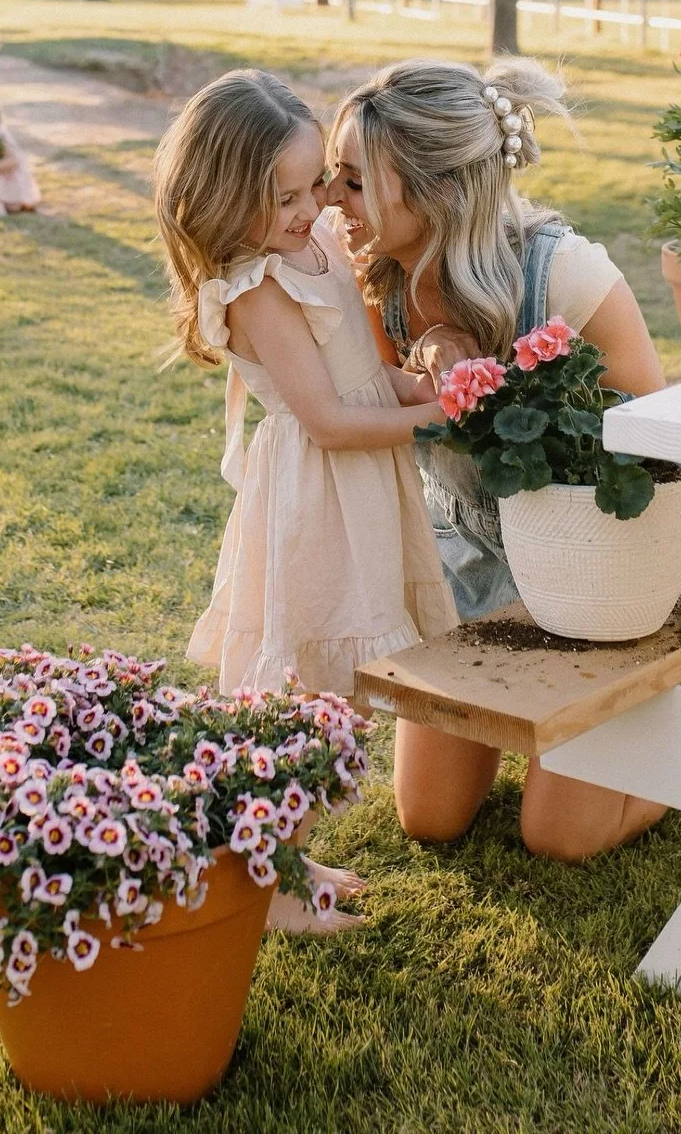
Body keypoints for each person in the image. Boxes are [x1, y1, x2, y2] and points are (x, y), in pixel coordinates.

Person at [327, 56, 670, 863]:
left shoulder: (561, 271)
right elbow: (383, 401)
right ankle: (563, 728)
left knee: (558, 838)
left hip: (593, 572)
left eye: (352, 182)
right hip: (470, 561)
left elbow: (661, 441)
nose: (330, 204)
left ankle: (676, 734)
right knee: (430, 819)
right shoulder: (377, 278)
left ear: (435, 189)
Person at [154, 67, 458, 932]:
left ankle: (288, 854)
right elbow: (326, 419)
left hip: (366, 483)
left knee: (343, 691)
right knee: (299, 688)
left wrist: (428, 386)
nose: (309, 207)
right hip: (317, 493)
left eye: (313, 183)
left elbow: (365, 376)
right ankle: (269, 881)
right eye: (282, 198)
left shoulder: (316, 237)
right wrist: (438, 418)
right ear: (222, 200)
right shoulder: (253, 289)